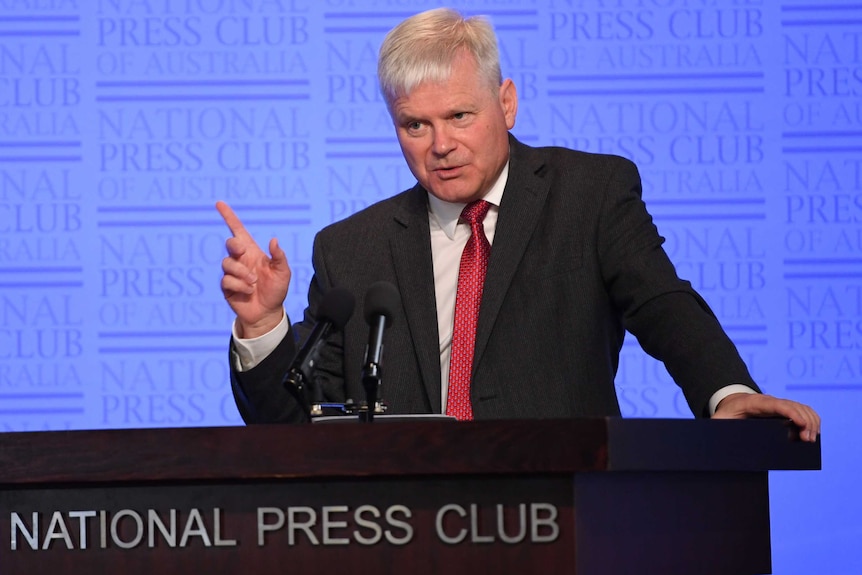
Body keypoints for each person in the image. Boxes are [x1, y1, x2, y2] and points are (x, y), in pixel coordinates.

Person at [217, 8, 820, 440]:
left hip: (564, 515)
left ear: (505, 102)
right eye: (415, 125)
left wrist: (729, 394)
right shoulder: (352, 249)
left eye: (460, 115)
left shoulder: (589, 194)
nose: (441, 145)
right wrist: (264, 323)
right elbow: (295, 433)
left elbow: (664, 304)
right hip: (406, 533)